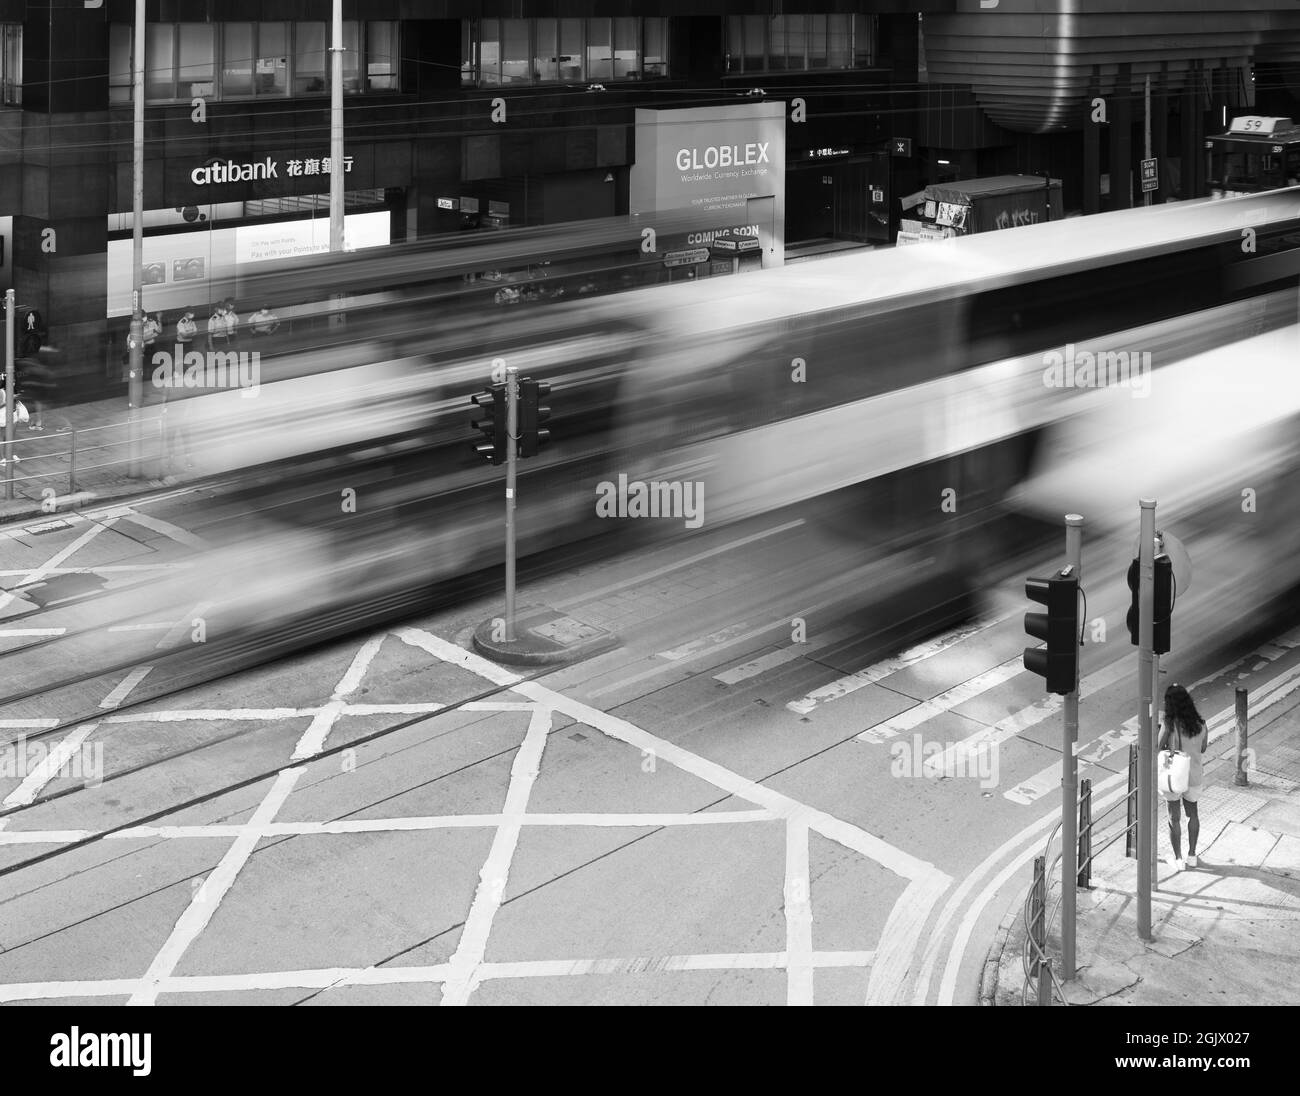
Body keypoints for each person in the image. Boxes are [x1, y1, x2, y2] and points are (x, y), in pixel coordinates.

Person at [1158, 683, 1208, 870]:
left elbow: (1156, 747)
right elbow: (1203, 748)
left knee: (1174, 818)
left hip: (1173, 778)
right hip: (1194, 776)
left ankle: (1178, 859)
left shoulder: (1170, 724)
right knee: (1192, 815)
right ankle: (1192, 855)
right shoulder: (1201, 723)